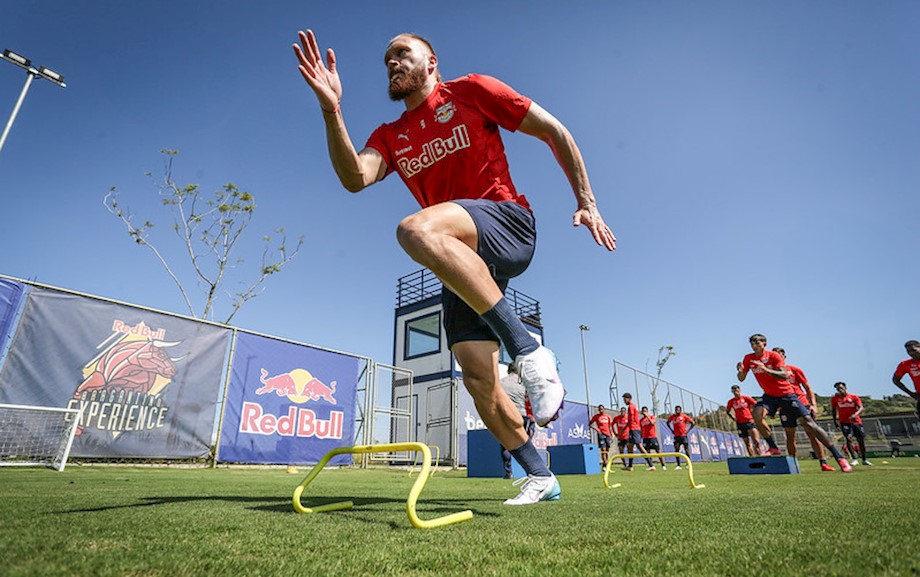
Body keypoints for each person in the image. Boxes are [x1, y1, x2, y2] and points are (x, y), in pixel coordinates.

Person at [293, 30, 616, 505]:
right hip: (461, 261)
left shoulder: (471, 91)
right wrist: (331, 109)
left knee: (415, 231)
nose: (392, 62)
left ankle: (528, 351)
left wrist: (586, 202)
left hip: (506, 224)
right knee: (477, 377)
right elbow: (354, 178)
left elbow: (555, 131)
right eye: (386, 59)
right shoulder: (390, 136)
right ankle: (539, 474)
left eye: (402, 53)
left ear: (432, 61)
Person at [736, 333, 851, 472]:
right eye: (752, 343)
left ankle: (839, 457)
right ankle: (773, 447)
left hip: (787, 395)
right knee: (757, 413)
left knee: (810, 425)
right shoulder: (749, 358)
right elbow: (741, 378)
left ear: (764, 343)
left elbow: (784, 375)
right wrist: (740, 371)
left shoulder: (773, 356)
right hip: (769, 396)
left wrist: (765, 369)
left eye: (757, 342)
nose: (754, 345)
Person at [772, 347, 835, 472]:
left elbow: (807, 387)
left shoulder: (795, 370)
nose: (777, 358)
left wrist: (813, 404)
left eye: (779, 355)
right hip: (785, 406)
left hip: (801, 403)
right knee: (790, 436)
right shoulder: (771, 372)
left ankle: (823, 462)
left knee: (812, 433)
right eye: (774, 356)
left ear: (784, 357)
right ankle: (792, 465)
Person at [499, 363, 536, 478]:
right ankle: (531, 470)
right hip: (522, 415)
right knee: (525, 444)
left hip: (506, 415)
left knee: (505, 445)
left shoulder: (500, 382)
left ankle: (509, 471)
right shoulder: (524, 382)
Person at [830, 382, 871, 466]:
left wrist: (855, 415)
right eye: (838, 389)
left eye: (841, 388)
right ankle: (854, 459)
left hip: (856, 421)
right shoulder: (835, 399)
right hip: (844, 421)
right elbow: (834, 410)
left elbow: (861, 408)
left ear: (845, 388)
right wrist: (835, 422)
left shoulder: (853, 397)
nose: (839, 390)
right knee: (848, 438)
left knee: (860, 440)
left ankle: (864, 459)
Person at [725, 384, 761, 457]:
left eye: (737, 390)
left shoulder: (746, 398)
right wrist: (733, 418)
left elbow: (756, 405)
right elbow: (728, 411)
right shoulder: (731, 401)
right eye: (734, 391)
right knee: (747, 443)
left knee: (756, 441)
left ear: (739, 390)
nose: (736, 392)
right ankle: (752, 458)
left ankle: (760, 455)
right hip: (740, 423)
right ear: (732, 392)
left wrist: (754, 415)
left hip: (749, 421)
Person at [622, 393, 654, 471]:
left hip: (634, 429)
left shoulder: (630, 407)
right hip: (634, 429)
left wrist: (626, 427)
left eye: (625, 399)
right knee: (630, 446)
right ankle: (630, 466)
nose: (624, 401)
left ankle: (651, 465)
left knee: (640, 447)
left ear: (629, 398)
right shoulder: (634, 406)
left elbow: (631, 419)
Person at [892, 340, 920, 418]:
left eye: (913, 350)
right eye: (908, 351)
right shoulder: (905, 364)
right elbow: (896, 380)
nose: (911, 353)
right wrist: (911, 393)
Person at [666, 405, 694, 470]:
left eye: (678, 410)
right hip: (676, 436)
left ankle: (688, 464)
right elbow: (667, 422)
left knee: (686, 449)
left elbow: (693, 422)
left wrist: (688, 430)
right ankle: (678, 465)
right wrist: (671, 430)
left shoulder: (684, 416)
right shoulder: (673, 417)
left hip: (683, 436)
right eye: (676, 410)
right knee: (676, 450)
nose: (677, 411)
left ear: (680, 410)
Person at [640, 406, 666, 470]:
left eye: (645, 411)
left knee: (658, 451)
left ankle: (663, 465)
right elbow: (641, 429)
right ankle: (651, 466)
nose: (644, 412)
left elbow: (652, 422)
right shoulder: (641, 420)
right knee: (647, 452)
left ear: (647, 411)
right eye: (643, 411)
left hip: (652, 437)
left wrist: (647, 416)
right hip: (645, 438)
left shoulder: (651, 416)